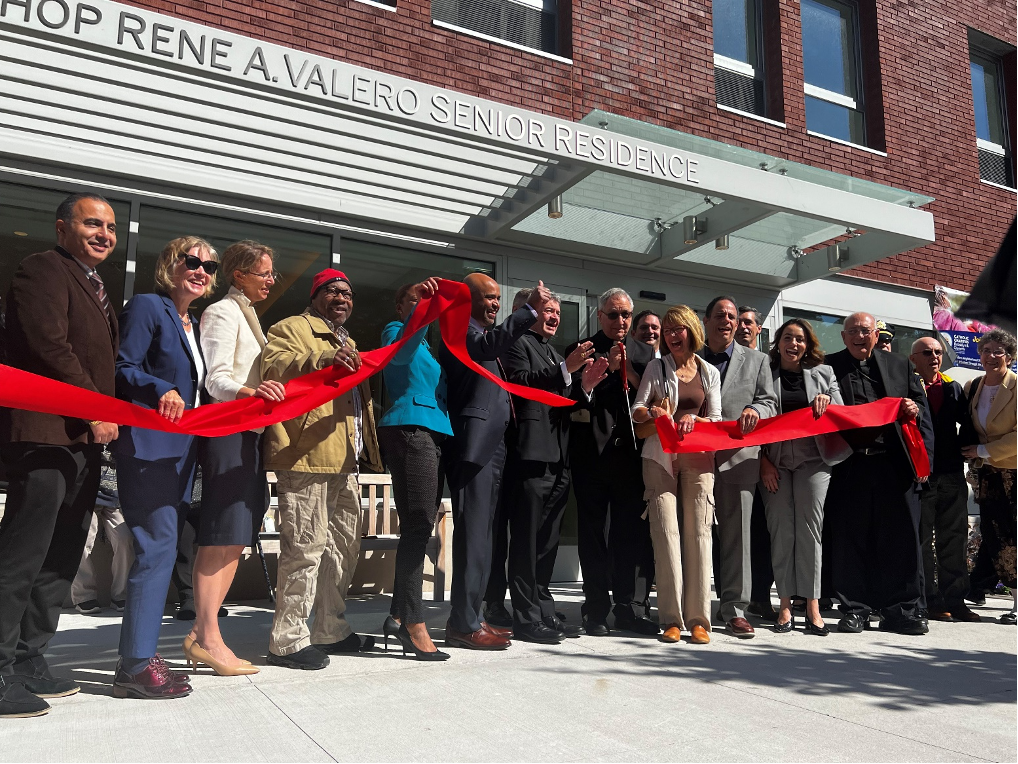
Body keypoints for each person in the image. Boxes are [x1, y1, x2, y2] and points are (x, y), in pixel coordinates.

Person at [0, 193, 120, 719]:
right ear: (61, 228)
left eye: (111, 226)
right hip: (46, 436)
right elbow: (48, 346)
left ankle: (30, 660)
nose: (104, 233)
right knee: (21, 557)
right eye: (92, 222)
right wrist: (93, 406)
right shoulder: (41, 270)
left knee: (61, 558)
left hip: (86, 445)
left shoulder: (97, 287)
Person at [111, 236, 230, 700]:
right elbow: (122, 367)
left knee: (161, 549)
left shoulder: (194, 322)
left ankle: (139, 655)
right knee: (156, 548)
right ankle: (135, 666)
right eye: (193, 261)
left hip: (180, 453)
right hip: (147, 448)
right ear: (170, 265)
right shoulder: (146, 306)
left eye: (210, 266)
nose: (201, 270)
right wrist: (159, 386)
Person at [262, 269, 382, 669]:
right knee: (305, 549)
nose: (341, 297)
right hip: (306, 456)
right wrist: (326, 357)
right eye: (332, 291)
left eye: (347, 292)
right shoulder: (292, 327)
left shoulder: (350, 341)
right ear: (315, 297)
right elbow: (274, 365)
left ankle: (329, 629)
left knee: (342, 548)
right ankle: (287, 640)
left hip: (346, 461)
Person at [185, 240, 286, 674]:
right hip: (227, 431)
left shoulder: (249, 316)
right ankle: (207, 637)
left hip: (248, 435)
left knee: (235, 537)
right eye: (264, 272)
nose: (271, 280)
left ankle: (200, 632)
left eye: (272, 273)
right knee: (221, 534)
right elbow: (216, 380)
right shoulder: (223, 312)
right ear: (239, 274)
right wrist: (253, 392)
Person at [440, 273, 551, 650]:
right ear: (467, 301)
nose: (495, 304)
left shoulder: (481, 336)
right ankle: (463, 623)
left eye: (498, 299)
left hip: (494, 448)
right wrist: (529, 311)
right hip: (473, 448)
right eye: (487, 298)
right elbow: (489, 346)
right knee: (473, 538)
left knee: (484, 538)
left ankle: (473, 616)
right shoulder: (462, 332)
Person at [500, 292, 605, 644]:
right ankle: (526, 618)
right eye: (548, 310)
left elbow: (565, 400)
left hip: (560, 458)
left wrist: (585, 387)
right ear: (529, 313)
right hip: (530, 455)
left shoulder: (555, 353)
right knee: (527, 540)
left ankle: (543, 608)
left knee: (547, 541)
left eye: (559, 312)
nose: (555, 317)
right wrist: (567, 370)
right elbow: (524, 384)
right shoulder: (517, 344)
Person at [825, 312, 934, 635]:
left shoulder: (900, 365)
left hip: (894, 465)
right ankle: (854, 609)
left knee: (900, 540)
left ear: (876, 335)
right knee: (850, 539)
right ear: (844, 337)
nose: (860, 336)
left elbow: (920, 410)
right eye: (854, 331)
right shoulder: (827, 367)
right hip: (849, 465)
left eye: (866, 331)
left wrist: (915, 410)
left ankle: (901, 610)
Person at [567, 288, 657, 636]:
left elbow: (653, 400)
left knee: (630, 537)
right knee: (594, 537)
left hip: (632, 459)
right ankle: (595, 609)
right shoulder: (581, 350)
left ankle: (629, 609)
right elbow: (570, 400)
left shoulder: (647, 355)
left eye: (626, 315)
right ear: (600, 316)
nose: (620, 321)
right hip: (592, 457)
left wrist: (629, 374)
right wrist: (600, 379)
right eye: (613, 314)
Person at [632, 305, 721, 645]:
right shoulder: (657, 366)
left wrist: (694, 421)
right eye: (667, 331)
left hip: (699, 460)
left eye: (677, 329)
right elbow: (636, 411)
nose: (671, 336)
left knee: (699, 536)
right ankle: (671, 619)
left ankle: (699, 620)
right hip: (660, 458)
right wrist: (653, 410)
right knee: (666, 535)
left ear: (691, 331)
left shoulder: (709, 371)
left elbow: (716, 417)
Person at [376, 278, 453, 661]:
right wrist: (423, 308)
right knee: (420, 526)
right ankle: (413, 622)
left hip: (431, 432)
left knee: (418, 525)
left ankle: (396, 615)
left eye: (425, 302)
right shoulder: (396, 331)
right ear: (401, 307)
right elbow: (401, 356)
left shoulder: (427, 344)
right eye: (413, 300)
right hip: (410, 428)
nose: (421, 304)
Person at [758, 318, 849, 636]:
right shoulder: (765, 372)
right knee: (781, 532)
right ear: (778, 342)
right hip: (775, 463)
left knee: (810, 532)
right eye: (787, 338)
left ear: (807, 344)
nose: (792, 344)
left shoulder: (824, 373)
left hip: (814, 462)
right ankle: (784, 605)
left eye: (799, 339)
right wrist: (762, 462)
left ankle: (812, 605)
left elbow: (841, 414)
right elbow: (755, 416)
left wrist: (828, 401)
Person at [699, 296, 778, 638]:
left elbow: (770, 402)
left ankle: (734, 610)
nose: (727, 321)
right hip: (694, 460)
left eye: (732, 316)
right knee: (695, 536)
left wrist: (756, 411)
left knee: (737, 539)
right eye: (720, 315)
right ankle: (695, 607)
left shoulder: (758, 360)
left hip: (739, 461)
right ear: (706, 320)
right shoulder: (689, 356)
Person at [909, 337, 981, 623]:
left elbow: (968, 423)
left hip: (951, 474)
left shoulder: (952, 388)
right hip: (921, 476)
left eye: (938, 352)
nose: (934, 357)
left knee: (955, 539)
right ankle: (929, 600)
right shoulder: (907, 388)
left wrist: (970, 449)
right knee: (923, 541)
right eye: (927, 353)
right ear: (914, 359)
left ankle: (956, 600)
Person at [483, 288, 539, 629]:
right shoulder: (498, 342)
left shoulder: (534, 347)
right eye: (527, 313)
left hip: (520, 452)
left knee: (515, 533)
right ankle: (492, 601)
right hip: (494, 450)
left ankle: (516, 602)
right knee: (493, 533)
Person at [962, 330, 1017, 624]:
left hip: (1015, 471)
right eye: (986, 350)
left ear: (1009, 356)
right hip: (987, 474)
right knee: (997, 536)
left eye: (998, 351)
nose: (991, 356)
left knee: (1015, 536)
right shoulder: (973, 386)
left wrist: (984, 449)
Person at [736, 305, 777, 622]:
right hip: (731, 463)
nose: (742, 326)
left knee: (763, 534)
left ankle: (760, 597)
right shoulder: (716, 361)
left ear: (759, 329)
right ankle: (734, 600)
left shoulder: (771, 364)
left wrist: (765, 459)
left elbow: (771, 410)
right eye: (738, 322)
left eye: (749, 322)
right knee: (734, 534)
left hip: (770, 461)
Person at [71, 488, 133, 614]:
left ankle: (121, 594)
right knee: (81, 539)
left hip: (115, 499)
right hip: (85, 497)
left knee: (124, 538)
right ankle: (84, 596)